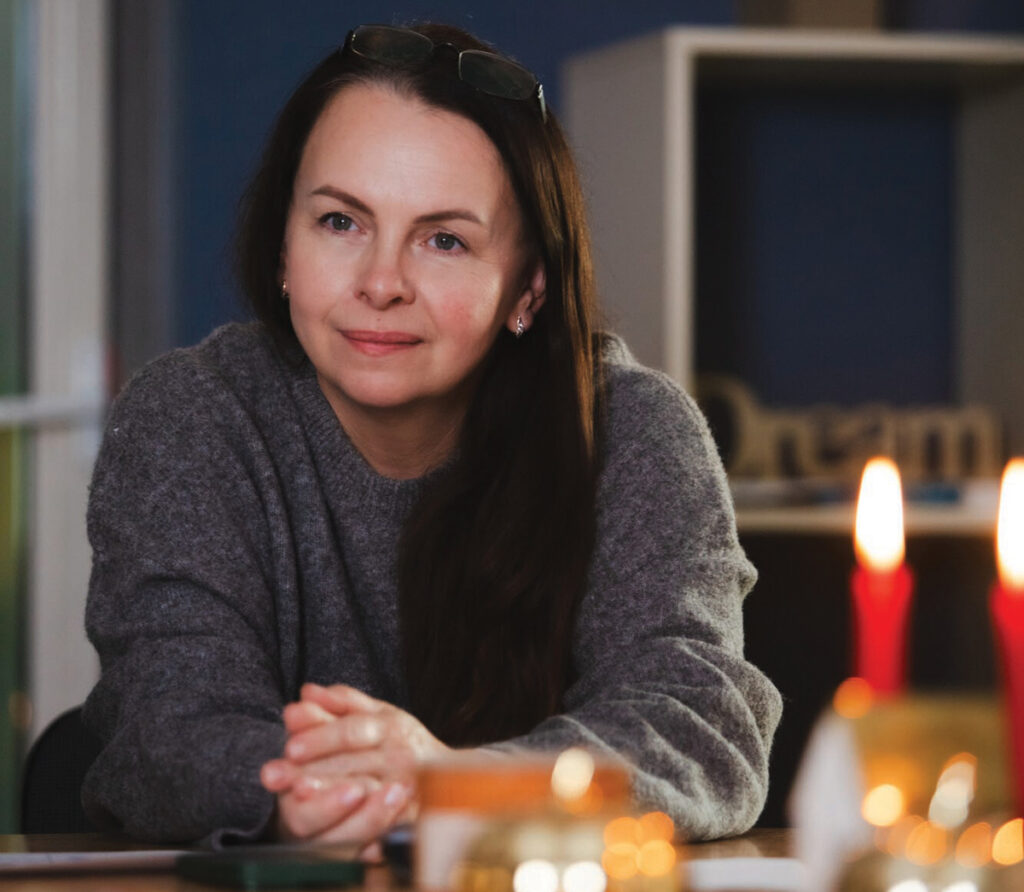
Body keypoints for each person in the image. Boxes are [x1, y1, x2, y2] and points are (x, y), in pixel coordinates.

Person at [81, 22, 781, 848]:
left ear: (528, 289)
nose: (381, 284)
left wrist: (446, 783)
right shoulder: (190, 417)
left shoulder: (633, 431)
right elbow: (169, 726)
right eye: (340, 223)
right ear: (282, 247)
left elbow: (697, 727)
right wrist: (327, 790)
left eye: (444, 240)